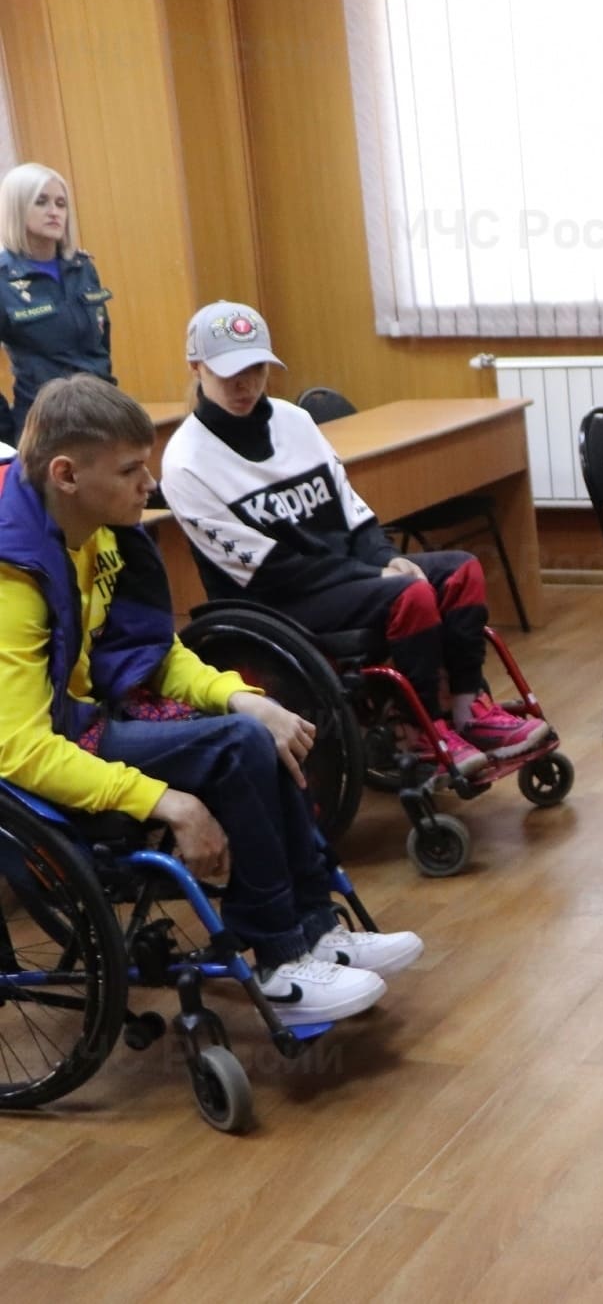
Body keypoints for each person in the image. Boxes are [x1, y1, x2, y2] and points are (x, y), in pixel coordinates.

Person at [0, 375, 423, 1024]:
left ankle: (315, 927)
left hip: (87, 714)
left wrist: (240, 697)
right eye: (130, 470)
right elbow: (20, 749)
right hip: (46, 747)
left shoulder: (97, 533)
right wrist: (165, 800)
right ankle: (280, 958)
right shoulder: (13, 579)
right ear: (66, 474)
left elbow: (153, 652)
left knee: (262, 727)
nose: (150, 484)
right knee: (235, 746)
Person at [159, 301, 549, 777]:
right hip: (278, 599)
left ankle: (469, 708)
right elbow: (271, 570)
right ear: (196, 367)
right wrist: (374, 573)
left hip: (345, 575)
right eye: (229, 373)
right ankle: (420, 728)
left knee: (461, 570)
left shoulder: (293, 420)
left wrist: (384, 556)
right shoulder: (186, 461)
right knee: (410, 595)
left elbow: (349, 507)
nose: (245, 385)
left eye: (256, 369)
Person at [0, 164, 116, 446]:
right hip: (46, 424)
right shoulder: (4, 279)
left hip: (102, 414)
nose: (54, 212)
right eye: (41, 202)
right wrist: (5, 433)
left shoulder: (82, 268)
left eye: (61, 203)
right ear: (16, 207)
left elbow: (101, 343)